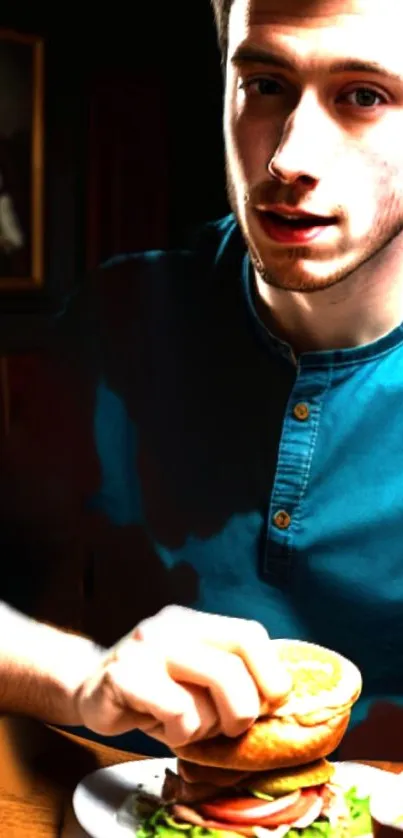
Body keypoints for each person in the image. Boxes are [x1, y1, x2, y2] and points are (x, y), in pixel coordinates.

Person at [3, 0, 403, 761]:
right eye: (264, 84)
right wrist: (78, 676)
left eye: (363, 95)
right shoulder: (118, 319)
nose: (290, 156)